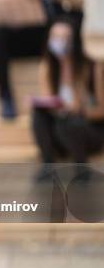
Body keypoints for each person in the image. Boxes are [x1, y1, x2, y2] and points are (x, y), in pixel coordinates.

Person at [31, 16, 104, 170]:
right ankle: (47, 164)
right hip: (60, 128)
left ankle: (81, 167)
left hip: (88, 129)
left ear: (75, 41)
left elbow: (101, 111)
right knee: (39, 114)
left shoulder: (92, 67)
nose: (59, 42)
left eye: (64, 38)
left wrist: (79, 110)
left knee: (68, 121)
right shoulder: (47, 67)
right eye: (55, 37)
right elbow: (49, 101)